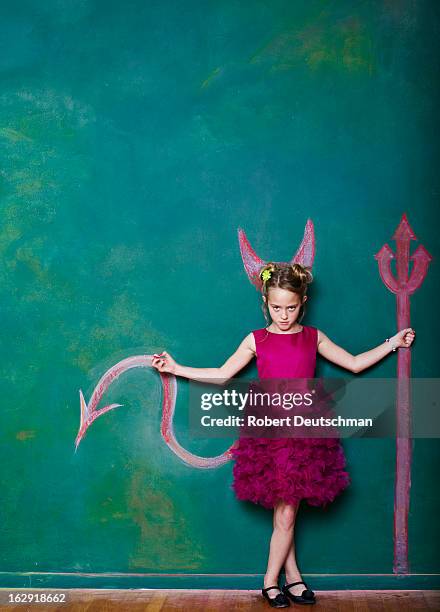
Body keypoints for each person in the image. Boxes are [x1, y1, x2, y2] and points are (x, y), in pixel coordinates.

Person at [151, 262, 415, 608]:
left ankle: (284, 578)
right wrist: (175, 368)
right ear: (266, 302)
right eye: (276, 308)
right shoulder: (256, 339)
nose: (284, 315)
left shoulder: (312, 336)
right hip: (269, 429)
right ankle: (275, 581)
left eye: (291, 307)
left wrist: (392, 343)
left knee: (288, 509)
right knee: (286, 510)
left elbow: (353, 363)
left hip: (305, 428)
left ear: (303, 301)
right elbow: (221, 373)